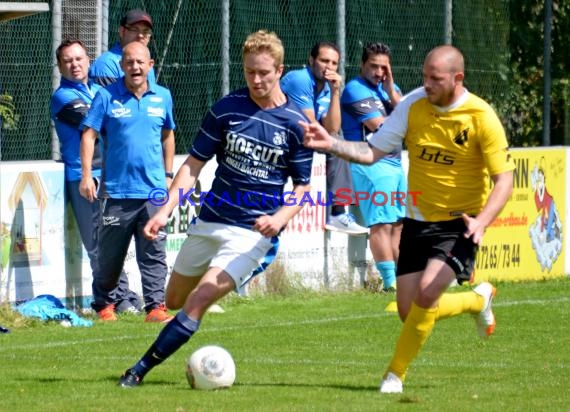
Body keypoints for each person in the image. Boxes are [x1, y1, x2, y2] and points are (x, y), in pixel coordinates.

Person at [301, 45, 515, 393]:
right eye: (424, 75)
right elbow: (371, 152)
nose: (427, 83)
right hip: (417, 220)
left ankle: (394, 374)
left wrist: (482, 221)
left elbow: (504, 179)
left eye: (435, 78)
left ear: (457, 79)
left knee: (428, 295)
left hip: (460, 223)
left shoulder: (481, 116)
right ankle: (477, 300)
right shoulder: (413, 105)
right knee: (408, 311)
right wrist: (332, 144)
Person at [117, 29, 313, 387]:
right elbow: (193, 165)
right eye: (250, 71)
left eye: (264, 73)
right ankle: (193, 315)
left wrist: (280, 217)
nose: (256, 79)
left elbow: (302, 187)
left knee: (201, 298)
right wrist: (163, 211)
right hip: (210, 221)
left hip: (251, 235)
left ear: (280, 70)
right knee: (174, 299)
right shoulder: (226, 109)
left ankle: (138, 371)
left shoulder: (298, 124)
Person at [79, 42, 175, 323]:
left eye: (140, 62)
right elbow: (88, 135)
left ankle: (156, 307)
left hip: (154, 192)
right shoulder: (106, 96)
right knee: (110, 256)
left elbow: (168, 135)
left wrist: (168, 175)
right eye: (129, 62)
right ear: (122, 66)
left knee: (154, 252)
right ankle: (104, 305)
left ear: (150, 65)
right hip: (116, 192)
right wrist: (87, 176)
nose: (135, 67)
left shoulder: (163, 97)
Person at [50, 39, 142, 315]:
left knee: (112, 243)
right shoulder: (62, 97)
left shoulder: (98, 90)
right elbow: (103, 124)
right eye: (68, 61)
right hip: (85, 177)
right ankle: (114, 300)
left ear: (88, 61)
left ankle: (123, 295)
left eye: (79, 59)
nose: (74, 65)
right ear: (59, 66)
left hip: (111, 175)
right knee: (98, 246)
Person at [281, 42, 367, 235]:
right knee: (335, 142)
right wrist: (332, 140)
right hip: (277, 134)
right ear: (311, 60)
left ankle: (338, 213)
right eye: (324, 60)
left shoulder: (328, 87)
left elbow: (333, 127)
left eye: (334, 63)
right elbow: (312, 124)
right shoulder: (300, 79)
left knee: (337, 141)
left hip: (300, 136)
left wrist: (336, 91)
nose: (329, 67)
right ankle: (338, 212)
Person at [340, 43, 405, 291]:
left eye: (383, 67)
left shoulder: (391, 89)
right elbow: (382, 128)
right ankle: (389, 284)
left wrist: (391, 91)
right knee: (382, 224)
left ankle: (402, 280)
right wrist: (402, 117)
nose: (379, 72)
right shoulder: (355, 90)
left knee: (399, 224)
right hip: (370, 164)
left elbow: (411, 122)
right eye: (373, 66)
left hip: (396, 164)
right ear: (362, 65)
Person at [89, 9, 156, 86]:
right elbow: (109, 97)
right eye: (134, 30)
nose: (140, 35)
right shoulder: (107, 64)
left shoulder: (147, 63)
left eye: (145, 31)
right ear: (122, 31)